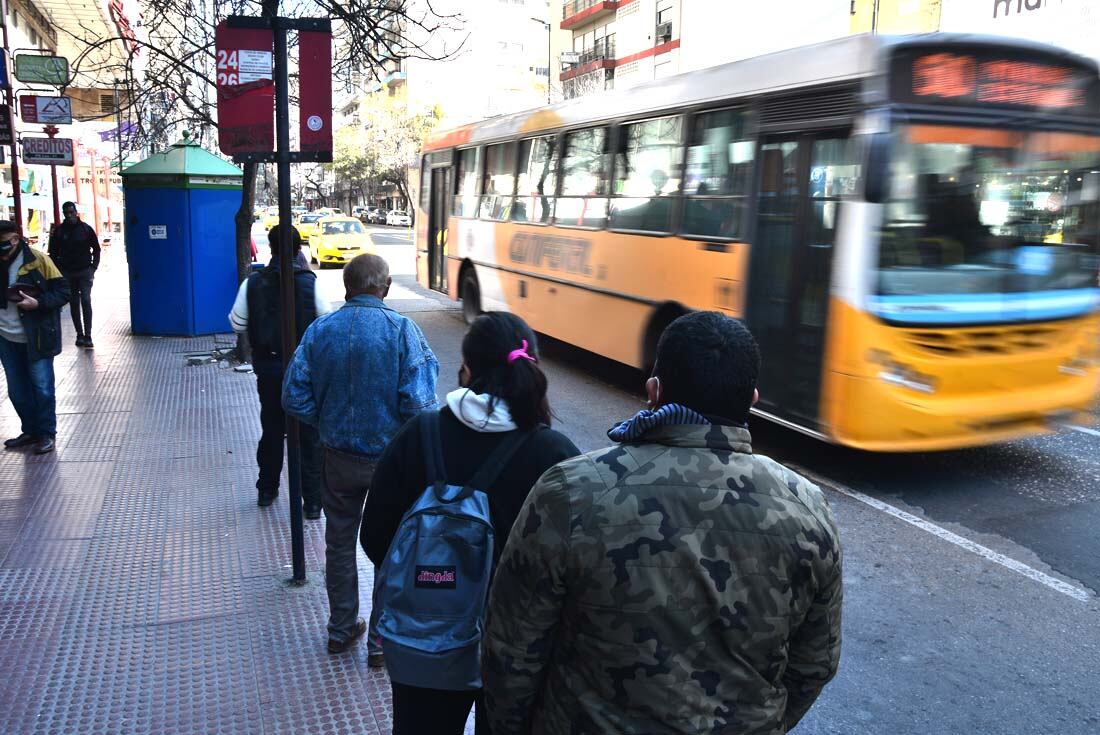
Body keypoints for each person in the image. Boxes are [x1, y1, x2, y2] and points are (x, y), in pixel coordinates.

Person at [483, 311, 843, 734]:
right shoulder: (808, 509)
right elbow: (814, 664)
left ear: (653, 390)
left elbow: (511, 653)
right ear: (752, 401)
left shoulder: (570, 492)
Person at [362, 312, 580, 735]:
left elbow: (375, 536)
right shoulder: (553, 454)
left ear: (467, 368)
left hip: (427, 641)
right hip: (518, 650)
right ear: (531, 365)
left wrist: (435, 583)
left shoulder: (419, 435)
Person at [282, 253, 439, 659]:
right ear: (384, 287)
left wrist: (328, 421)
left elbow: (293, 396)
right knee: (392, 548)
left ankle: (340, 628)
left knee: (339, 545)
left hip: (337, 460)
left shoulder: (320, 331)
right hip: (391, 463)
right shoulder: (402, 330)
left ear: (347, 287)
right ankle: (381, 639)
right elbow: (420, 406)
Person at [228, 226, 330, 515]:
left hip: (269, 370)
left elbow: (236, 323)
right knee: (308, 434)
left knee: (272, 428)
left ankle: (267, 489)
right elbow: (326, 321)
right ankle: (312, 501)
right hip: (305, 372)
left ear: (270, 248)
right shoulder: (310, 282)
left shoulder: (253, 283)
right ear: (299, 248)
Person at [0, 220, 70, 454]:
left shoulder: (38, 260)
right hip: (6, 337)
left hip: (36, 335)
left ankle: (46, 434)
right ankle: (30, 430)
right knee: (17, 390)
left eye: (3, 244)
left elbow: (63, 291)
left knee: (42, 388)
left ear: (15, 239)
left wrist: (38, 303)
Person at [47, 202, 100, 348]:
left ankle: (88, 335)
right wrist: (59, 272)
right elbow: (53, 253)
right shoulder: (59, 231)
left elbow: (96, 249)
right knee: (74, 303)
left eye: (71, 212)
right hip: (67, 272)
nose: (69, 215)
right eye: (66, 213)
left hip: (84, 271)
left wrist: (93, 267)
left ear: (76, 212)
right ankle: (79, 334)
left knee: (86, 300)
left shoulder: (86, 229)